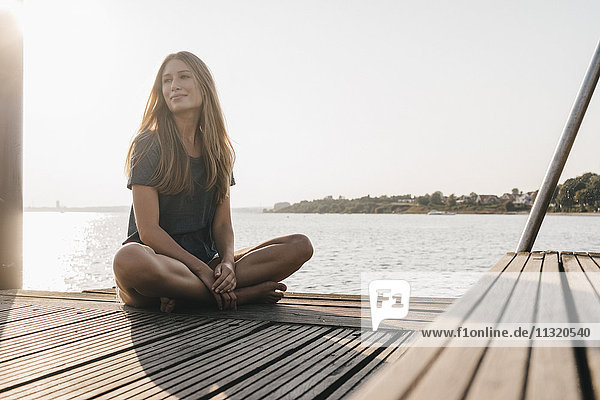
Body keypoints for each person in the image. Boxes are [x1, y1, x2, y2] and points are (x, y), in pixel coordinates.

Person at [112, 51, 313, 313]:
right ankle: (235, 297)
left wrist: (227, 264)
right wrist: (201, 271)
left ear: (203, 87)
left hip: (206, 264)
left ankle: (189, 296)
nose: (174, 86)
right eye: (167, 80)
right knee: (128, 259)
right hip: (159, 264)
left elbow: (222, 224)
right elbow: (148, 231)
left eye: (184, 77)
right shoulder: (149, 144)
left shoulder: (218, 151)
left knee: (299, 245)